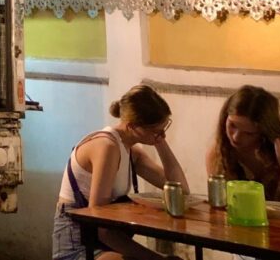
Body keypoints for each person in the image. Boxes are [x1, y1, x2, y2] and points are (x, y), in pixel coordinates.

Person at [53, 85, 188, 260]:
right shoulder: (107, 147)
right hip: (79, 243)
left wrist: (159, 142)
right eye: (156, 131)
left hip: (106, 241)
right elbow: (101, 227)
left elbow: (180, 190)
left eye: (164, 129)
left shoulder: (131, 152)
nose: (162, 135)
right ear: (132, 126)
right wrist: (156, 258)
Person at [206, 85, 280, 202]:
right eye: (232, 125)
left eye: (249, 133)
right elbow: (218, 204)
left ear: (264, 132)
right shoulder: (219, 153)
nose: (236, 137)